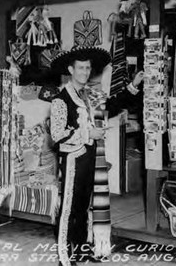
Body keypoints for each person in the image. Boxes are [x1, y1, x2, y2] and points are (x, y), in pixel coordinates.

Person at [50, 46, 144, 266]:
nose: (85, 71)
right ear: (71, 69)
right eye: (81, 67)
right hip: (73, 160)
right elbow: (56, 135)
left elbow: (112, 104)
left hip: (91, 158)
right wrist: (87, 133)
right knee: (69, 210)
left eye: (88, 67)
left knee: (84, 207)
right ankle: (66, 257)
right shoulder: (60, 99)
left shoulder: (91, 95)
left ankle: (82, 250)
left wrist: (134, 85)